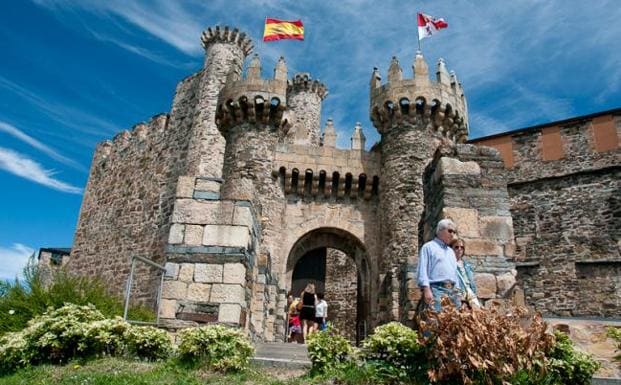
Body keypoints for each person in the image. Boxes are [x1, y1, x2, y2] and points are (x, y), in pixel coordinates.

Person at [417, 218, 461, 311]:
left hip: (453, 292)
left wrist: (458, 291)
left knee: (454, 324)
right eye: (450, 231)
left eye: (454, 232)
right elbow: (422, 270)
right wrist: (426, 289)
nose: (452, 234)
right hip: (437, 290)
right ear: (440, 230)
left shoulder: (450, 251)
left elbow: (455, 272)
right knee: (436, 322)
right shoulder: (428, 247)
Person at [451, 239, 481, 309]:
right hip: (458, 296)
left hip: (470, 294)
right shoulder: (450, 265)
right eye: (456, 247)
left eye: (462, 247)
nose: (459, 249)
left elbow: (471, 282)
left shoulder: (467, 265)